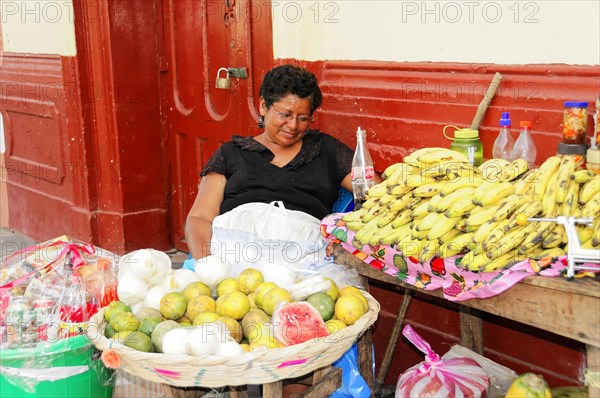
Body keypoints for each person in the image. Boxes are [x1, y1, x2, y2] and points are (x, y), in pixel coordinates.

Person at [185, 65, 380, 259]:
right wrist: (206, 262)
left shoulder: (327, 150)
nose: (293, 125)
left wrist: (344, 237)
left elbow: (378, 195)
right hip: (232, 257)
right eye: (285, 115)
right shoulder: (230, 153)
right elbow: (199, 217)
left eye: (303, 118)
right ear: (263, 106)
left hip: (303, 261)